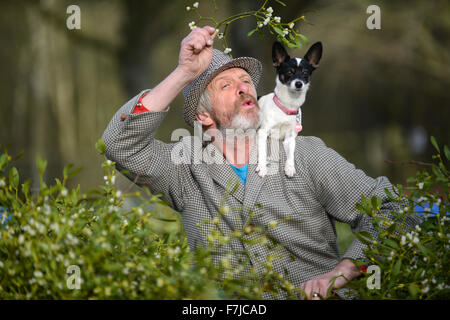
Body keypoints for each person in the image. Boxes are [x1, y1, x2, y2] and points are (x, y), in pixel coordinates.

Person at [102, 26, 413, 299]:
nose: (243, 87)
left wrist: (344, 271)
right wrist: (184, 72)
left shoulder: (306, 156)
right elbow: (118, 143)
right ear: (203, 115)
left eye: (246, 81)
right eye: (226, 85)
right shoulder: (185, 169)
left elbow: (393, 210)